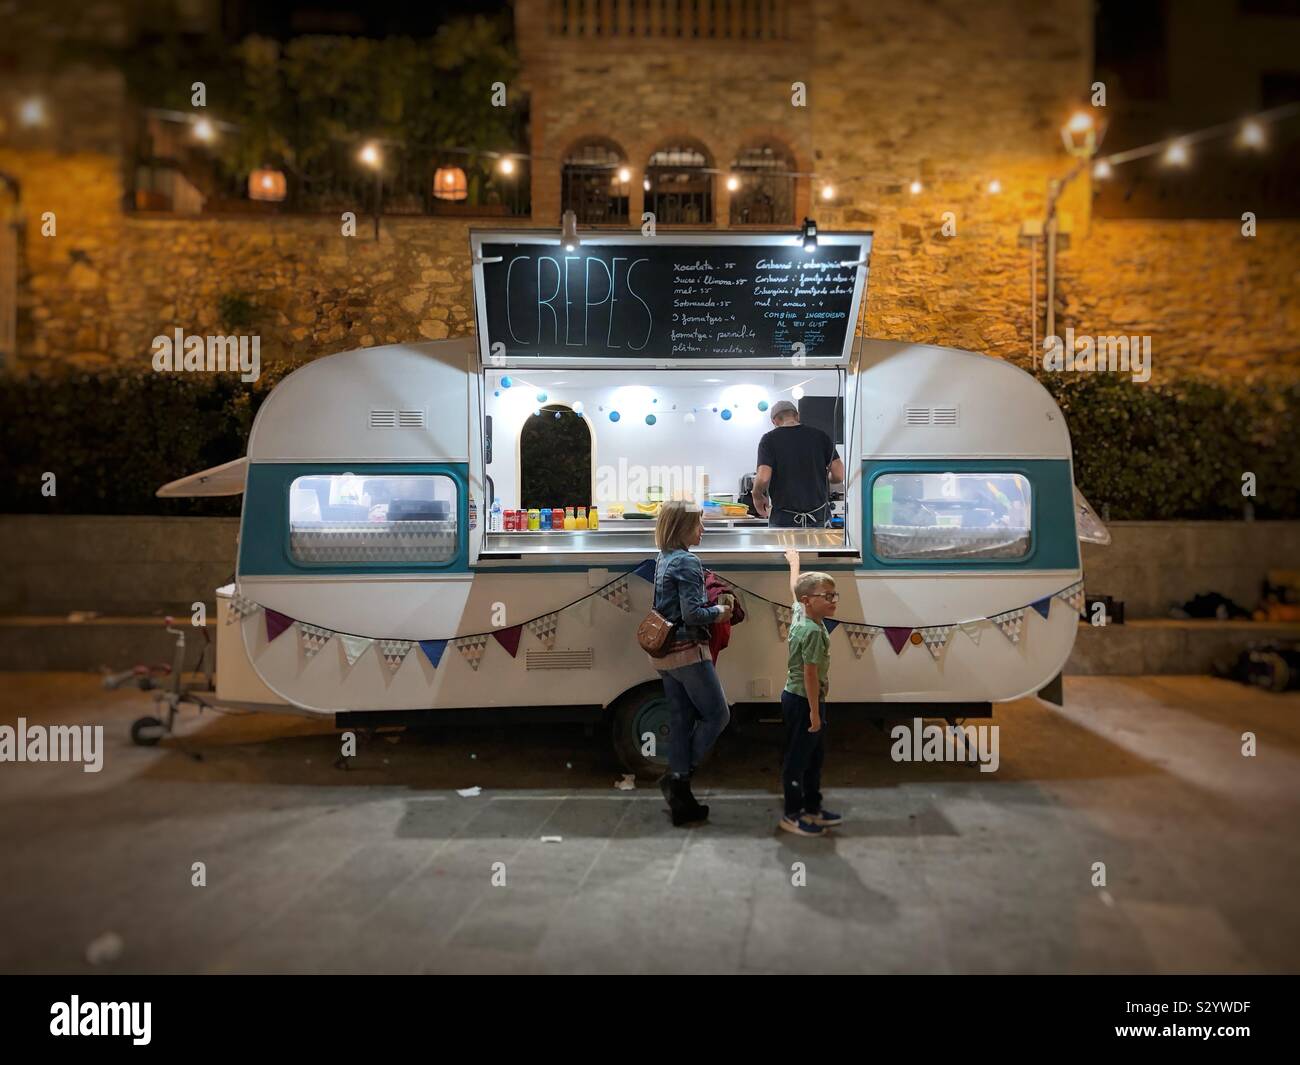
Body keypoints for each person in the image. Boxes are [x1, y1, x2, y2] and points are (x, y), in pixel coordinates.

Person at [647, 501, 734, 826]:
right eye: (698, 524)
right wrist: (721, 612)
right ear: (683, 528)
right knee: (717, 715)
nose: (703, 530)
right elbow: (692, 614)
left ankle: (681, 798)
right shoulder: (687, 561)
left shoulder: (664, 558)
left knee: (682, 721)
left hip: (664, 654)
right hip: (687, 651)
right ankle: (677, 780)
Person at [779, 547, 843, 836]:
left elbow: (794, 592)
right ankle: (793, 814)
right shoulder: (814, 632)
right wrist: (815, 715)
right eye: (826, 596)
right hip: (804, 701)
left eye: (834, 595)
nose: (833, 601)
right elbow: (810, 674)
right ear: (809, 601)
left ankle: (813, 808)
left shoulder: (800, 614)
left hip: (800, 699)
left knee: (814, 757)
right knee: (798, 760)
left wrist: (795, 563)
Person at [752, 400, 845, 528]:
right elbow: (839, 475)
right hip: (818, 516)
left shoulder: (769, 440)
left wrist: (756, 496)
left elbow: (763, 477)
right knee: (816, 548)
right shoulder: (820, 436)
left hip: (784, 519)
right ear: (797, 415)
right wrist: (824, 477)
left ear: (774, 421)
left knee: (785, 549)